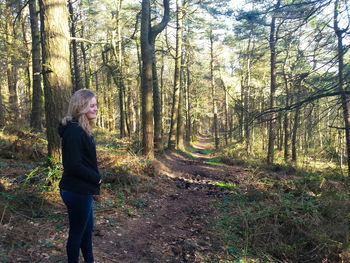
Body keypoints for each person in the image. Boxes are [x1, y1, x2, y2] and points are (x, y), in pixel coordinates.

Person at [58, 89, 101, 263]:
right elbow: (72, 165)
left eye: (96, 105)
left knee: (87, 229)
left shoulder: (82, 128)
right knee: (77, 233)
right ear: (81, 107)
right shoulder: (75, 131)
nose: (96, 108)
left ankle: (90, 261)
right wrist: (95, 177)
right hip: (76, 191)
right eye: (92, 105)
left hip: (82, 189)